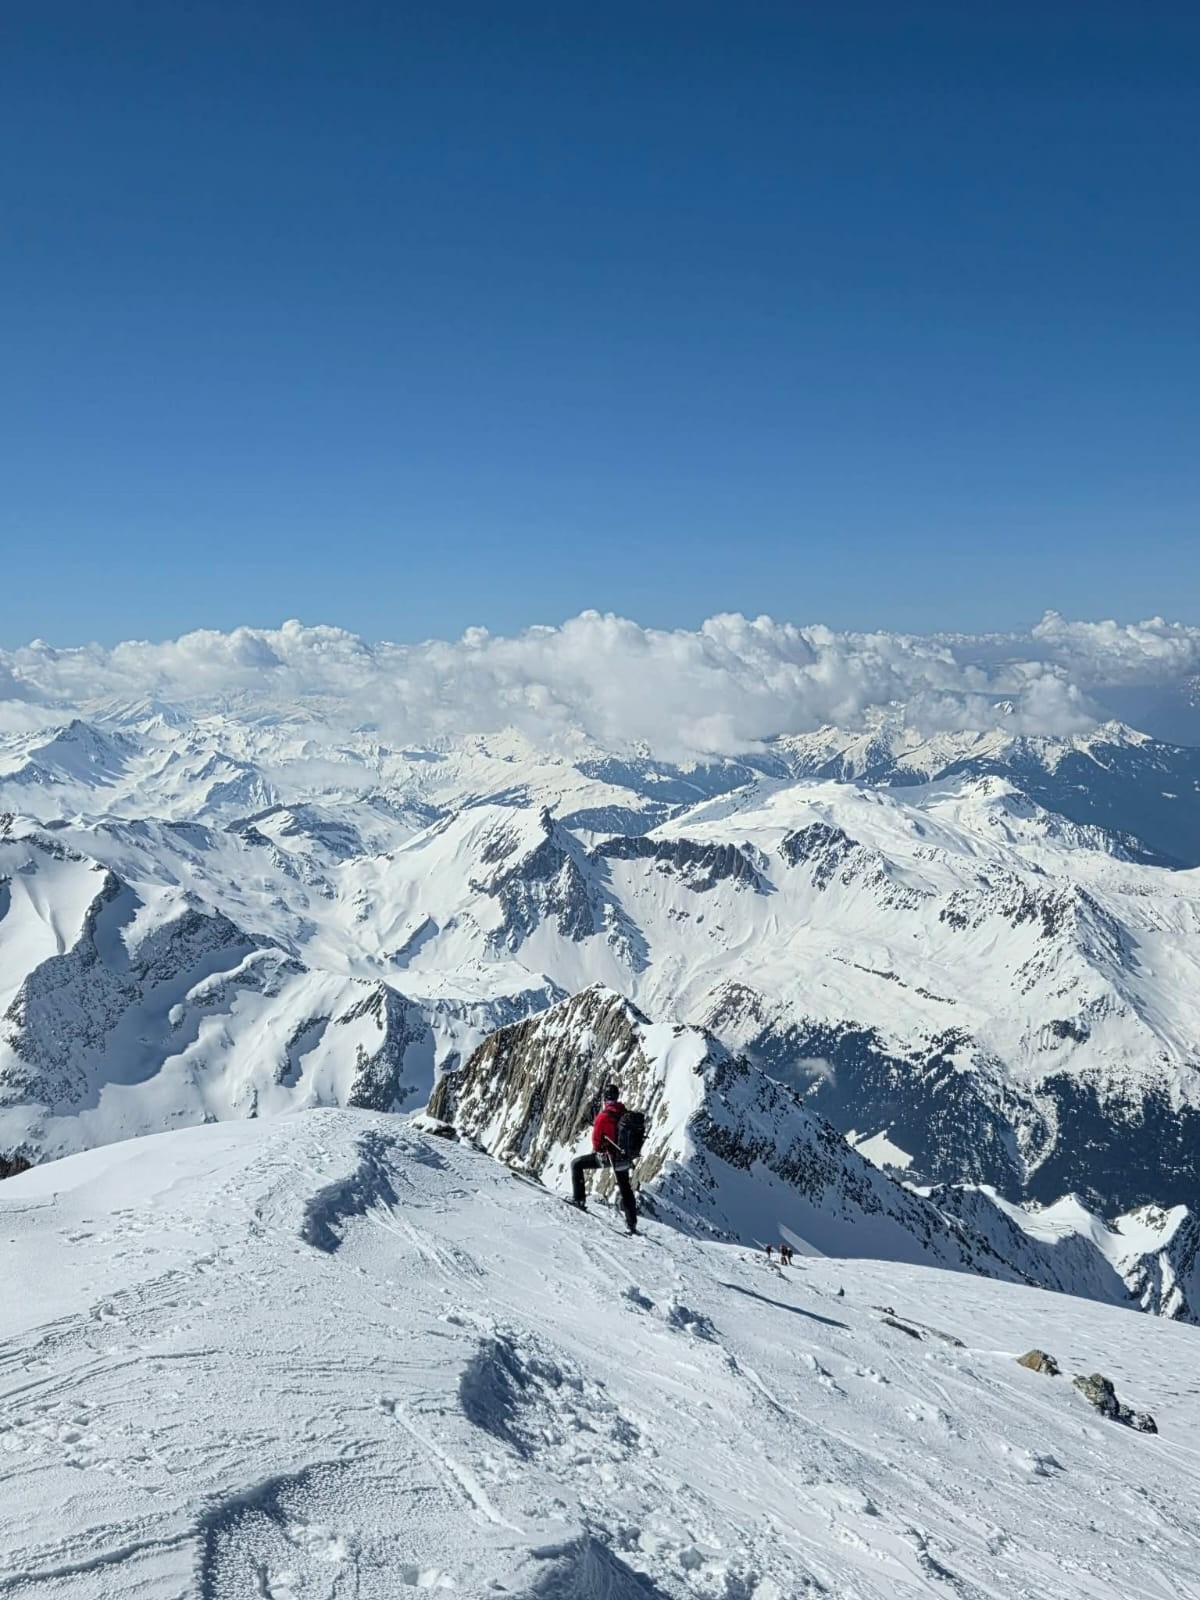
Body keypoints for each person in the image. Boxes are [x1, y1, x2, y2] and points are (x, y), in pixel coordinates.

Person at [570, 1084, 638, 1234]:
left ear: (605, 1099)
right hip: (624, 1157)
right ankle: (631, 1223)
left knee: (576, 1164)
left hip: (609, 1157)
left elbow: (596, 1143)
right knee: (625, 1187)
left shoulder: (602, 1117)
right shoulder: (624, 1113)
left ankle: (579, 1199)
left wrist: (600, 1148)